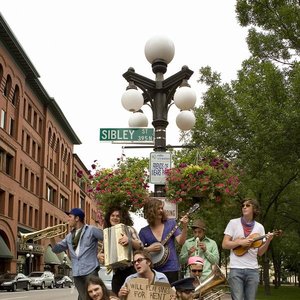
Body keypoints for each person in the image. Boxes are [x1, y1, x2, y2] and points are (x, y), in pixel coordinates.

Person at [222, 198, 274, 300]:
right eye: (243, 205)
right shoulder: (233, 223)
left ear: (254, 209)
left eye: (247, 205)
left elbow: (260, 252)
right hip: (236, 269)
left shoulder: (260, 227)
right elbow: (224, 244)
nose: (244, 207)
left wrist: (268, 241)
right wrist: (239, 242)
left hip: (253, 270)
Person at [51, 208, 103, 300]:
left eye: (70, 217)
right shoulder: (69, 236)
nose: (68, 219)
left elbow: (106, 237)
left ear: (77, 218)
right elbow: (56, 249)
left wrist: (102, 253)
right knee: (83, 298)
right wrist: (51, 237)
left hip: (90, 270)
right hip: (77, 273)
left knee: (94, 297)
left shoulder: (91, 230)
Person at [139, 197, 189, 283]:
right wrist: (149, 249)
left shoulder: (171, 223)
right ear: (151, 211)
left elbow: (181, 241)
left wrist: (185, 227)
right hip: (154, 270)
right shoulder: (144, 232)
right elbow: (138, 252)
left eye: (162, 208)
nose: (161, 210)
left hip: (171, 268)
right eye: (158, 208)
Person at [98, 204, 143, 296]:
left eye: (118, 216)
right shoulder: (106, 233)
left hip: (131, 270)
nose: (115, 218)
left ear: (122, 218)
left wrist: (129, 240)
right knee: (117, 297)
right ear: (109, 217)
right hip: (117, 273)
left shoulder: (129, 229)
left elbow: (140, 246)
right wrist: (99, 256)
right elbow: (102, 253)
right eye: (112, 215)